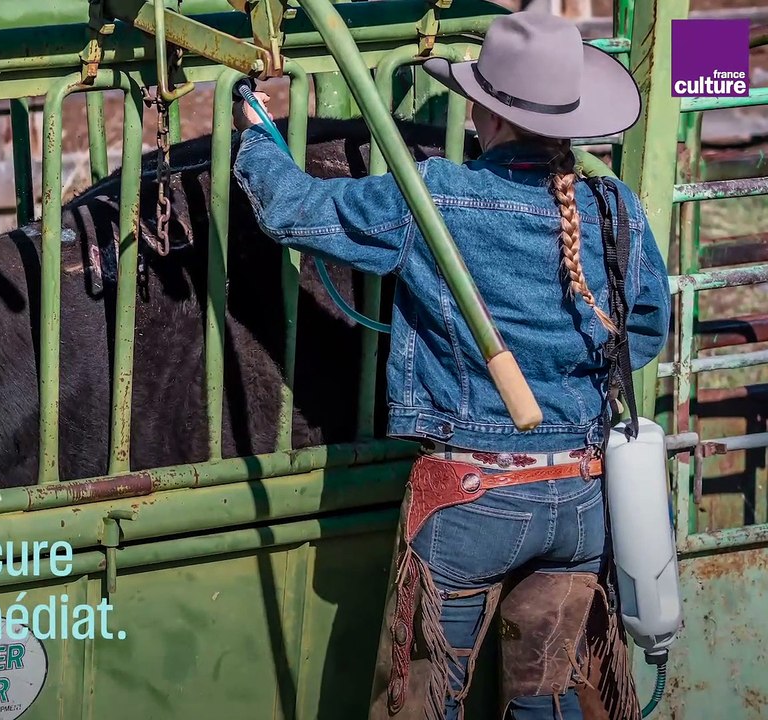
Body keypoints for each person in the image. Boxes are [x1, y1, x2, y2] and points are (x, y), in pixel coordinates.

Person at [232, 11, 670, 720]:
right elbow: (643, 333)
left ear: (480, 111)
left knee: (422, 701)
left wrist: (255, 131)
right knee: (551, 702)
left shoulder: (436, 196)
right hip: (584, 499)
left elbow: (296, 212)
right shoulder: (612, 204)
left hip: (469, 502)